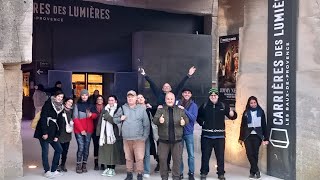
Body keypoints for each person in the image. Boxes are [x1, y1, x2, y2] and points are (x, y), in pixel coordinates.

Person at [140, 66, 196, 172]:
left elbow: (181, 85)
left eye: (168, 86)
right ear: (162, 89)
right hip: (160, 122)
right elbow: (152, 85)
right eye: (164, 86)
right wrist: (145, 75)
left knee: (171, 143)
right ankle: (160, 163)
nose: (166, 87)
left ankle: (168, 164)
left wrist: (188, 75)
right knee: (160, 143)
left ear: (171, 90)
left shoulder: (173, 95)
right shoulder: (159, 94)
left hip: (172, 121)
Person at [196, 88, 237, 180]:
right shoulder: (204, 105)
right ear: (209, 96)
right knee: (205, 156)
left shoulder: (223, 105)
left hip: (220, 137)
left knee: (220, 156)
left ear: (218, 96)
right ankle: (204, 173)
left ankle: (221, 174)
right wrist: (202, 123)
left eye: (215, 95)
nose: (213, 97)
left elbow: (233, 116)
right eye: (211, 95)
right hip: (206, 136)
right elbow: (198, 117)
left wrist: (232, 113)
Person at [114, 90, 150, 180]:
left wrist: (144, 137)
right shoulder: (122, 108)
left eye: (132, 97)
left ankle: (139, 175)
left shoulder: (141, 109)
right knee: (128, 157)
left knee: (139, 158)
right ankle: (129, 174)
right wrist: (120, 118)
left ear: (136, 98)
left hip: (139, 139)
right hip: (126, 138)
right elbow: (114, 119)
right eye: (128, 97)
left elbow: (146, 124)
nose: (130, 99)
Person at [153, 92, 189, 180]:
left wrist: (184, 122)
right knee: (162, 160)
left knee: (177, 161)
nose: (170, 100)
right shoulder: (160, 109)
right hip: (163, 141)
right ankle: (164, 177)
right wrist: (159, 120)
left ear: (174, 100)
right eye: (168, 99)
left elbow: (186, 119)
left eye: (171, 99)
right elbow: (154, 120)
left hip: (177, 141)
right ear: (165, 100)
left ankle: (176, 177)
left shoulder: (180, 110)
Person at [33, 90, 64, 178]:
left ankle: (54, 169)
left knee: (59, 149)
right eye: (59, 96)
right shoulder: (48, 103)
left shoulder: (61, 107)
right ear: (55, 96)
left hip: (53, 132)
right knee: (45, 151)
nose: (60, 98)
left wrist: (57, 135)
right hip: (44, 131)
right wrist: (45, 132)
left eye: (61, 97)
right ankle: (47, 170)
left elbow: (60, 122)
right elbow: (43, 118)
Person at [239, 96, 269, 179]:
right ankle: (257, 170)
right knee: (249, 153)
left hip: (257, 136)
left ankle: (252, 172)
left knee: (255, 154)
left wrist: (266, 138)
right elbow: (242, 126)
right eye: (251, 103)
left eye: (254, 102)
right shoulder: (246, 112)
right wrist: (241, 138)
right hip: (247, 136)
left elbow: (264, 125)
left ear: (257, 103)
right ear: (249, 103)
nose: (253, 104)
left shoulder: (261, 111)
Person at [96, 95, 125, 177]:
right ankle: (108, 168)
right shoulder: (105, 109)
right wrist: (98, 132)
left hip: (113, 134)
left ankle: (112, 168)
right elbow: (100, 122)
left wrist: (107, 117)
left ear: (115, 101)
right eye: (109, 100)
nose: (111, 102)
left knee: (113, 152)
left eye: (112, 100)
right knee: (106, 151)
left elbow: (116, 121)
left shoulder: (118, 110)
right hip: (104, 134)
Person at [73, 89, 97, 173]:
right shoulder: (77, 105)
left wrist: (91, 115)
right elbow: (75, 118)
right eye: (83, 95)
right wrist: (81, 130)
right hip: (79, 130)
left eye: (86, 95)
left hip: (89, 130)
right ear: (80, 96)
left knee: (86, 148)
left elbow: (95, 115)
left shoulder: (91, 105)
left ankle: (84, 165)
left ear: (88, 96)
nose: (84, 96)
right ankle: (78, 165)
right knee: (81, 147)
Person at [176, 88, 198, 180]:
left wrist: (184, 110)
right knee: (179, 154)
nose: (187, 94)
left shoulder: (194, 105)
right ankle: (180, 172)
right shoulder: (177, 103)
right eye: (185, 93)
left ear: (191, 95)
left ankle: (191, 173)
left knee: (191, 155)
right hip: (179, 132)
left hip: (188, 133)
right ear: (182, 94)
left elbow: (193, 118)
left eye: (189, 93)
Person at [137, 94, 158, 178]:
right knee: (138, 154)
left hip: (147, 134)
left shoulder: (149, 109)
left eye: (141, 97)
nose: (140, 99)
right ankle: (139, 170)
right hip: (137, 134)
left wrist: (151, 107)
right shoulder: (135, 109)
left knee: (146, 153)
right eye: (138, 98)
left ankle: (146, 170)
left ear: (144, 99)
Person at [57, 97, 74, 172]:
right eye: (69, 102)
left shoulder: (71, 111)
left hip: (67, 134)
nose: (70, 104)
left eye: (71, 102)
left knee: (65, 151)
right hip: (60, 133)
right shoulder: (60, 110)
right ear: (65, 102)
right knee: (58, 150)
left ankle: (63, 164)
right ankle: (56, 165)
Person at [90, 95, 106, 170]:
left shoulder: (106, 108)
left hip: (104, 130)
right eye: (98, 99)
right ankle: (96, 163)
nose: (99, 100)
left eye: (101, 99)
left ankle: (102, 163)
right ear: (96, 100)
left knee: (102, 147)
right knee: (96, 147)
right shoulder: (92, 108)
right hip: (95, 130)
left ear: (103, 100)